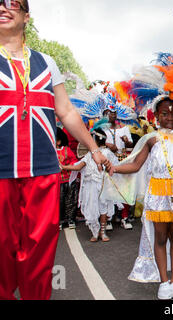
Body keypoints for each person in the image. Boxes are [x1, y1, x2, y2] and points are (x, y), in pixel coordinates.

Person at [0, 0, 109, 300]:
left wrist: (93, 147)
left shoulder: (46, 62)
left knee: (39, 256)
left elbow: (67, 112)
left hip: (43, 170)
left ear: (26, 16)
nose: (4, 6)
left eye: (13, 3)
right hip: (1, 171)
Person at [103, 52, 173, 300]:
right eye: (164, 113)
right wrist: (115, 168)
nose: (169, 117)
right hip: (158, 195)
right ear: (156, 116)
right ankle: (163, 281)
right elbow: (136, 164)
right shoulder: (150, 139)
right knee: (160, 238)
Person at [64, 127, 120, 242]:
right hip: (91, 187)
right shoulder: (90, 155)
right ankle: (95, 231)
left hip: (103, 185)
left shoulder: (107, 153)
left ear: (97, 140)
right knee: (91, 207)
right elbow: (78, 166)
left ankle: (103, 232)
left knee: (103, 207)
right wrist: (64, 167)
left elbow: (115, 166)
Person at [103, 104, 134, 230]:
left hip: (122, 158)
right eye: (110, 113)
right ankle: (109, 218)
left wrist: (126, 141)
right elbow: (95, 141)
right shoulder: (102, 129)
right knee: (109, 187)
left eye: (114, 113)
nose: (112, 115)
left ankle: (124, 217)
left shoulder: (124, 128)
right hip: (108, 159)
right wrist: (107, 144)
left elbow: (130, 144)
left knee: (124, 187)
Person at [56, 127, 78, 230]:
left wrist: (67, 166)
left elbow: (74, 161)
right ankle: (59, 220)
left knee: (71, 199)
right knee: (59, 201)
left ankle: (71, 219)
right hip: (57, 181)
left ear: (59, 141)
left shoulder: (66, 150)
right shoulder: (51, 152)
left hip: (69, 179)